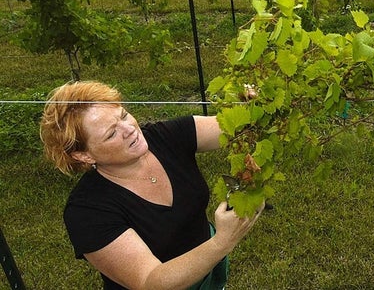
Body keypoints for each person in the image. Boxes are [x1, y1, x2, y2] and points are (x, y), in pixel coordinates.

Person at [39, 80, 262, 289]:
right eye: (111, 134)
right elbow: (150, 281)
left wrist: (253, 105)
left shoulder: (165, 136)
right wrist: (222, 242)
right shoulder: (87, 212)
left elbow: (238, 126)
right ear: (83, 156)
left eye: (124, 115)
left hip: (209, 270)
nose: (130, 129)